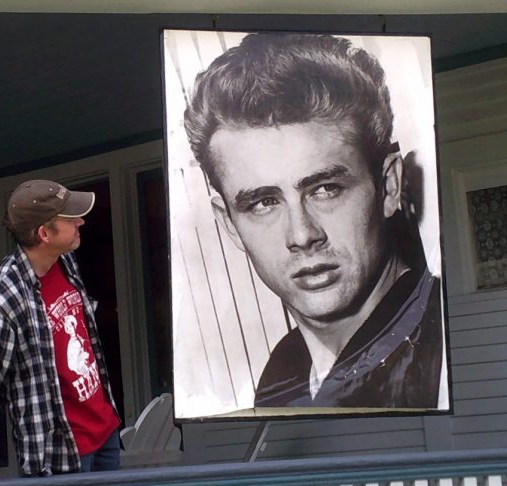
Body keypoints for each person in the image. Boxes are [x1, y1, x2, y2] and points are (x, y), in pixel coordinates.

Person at [183, 33, 443, 409]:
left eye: (325, 189)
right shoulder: (285, 368)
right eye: (263, 202)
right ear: (228, 223)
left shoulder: (441, 348)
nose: (302, 235)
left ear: (389, 186)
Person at [0, 178, 121, 484]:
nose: (81, 221)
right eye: (70, 218)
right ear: (44, 233)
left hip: (105, 432)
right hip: (61, 454)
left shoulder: (66, 263)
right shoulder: (3, 295)